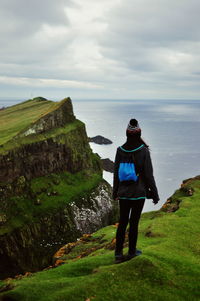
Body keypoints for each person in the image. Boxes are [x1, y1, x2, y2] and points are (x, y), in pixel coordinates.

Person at [113, 119, 159, 263]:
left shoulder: (120, 150)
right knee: (134, 223)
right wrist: (155, 194)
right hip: (138, 193)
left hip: (124, 193)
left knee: (122, 222)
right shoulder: (143, 150)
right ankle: (132, 252)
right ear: (139, 133)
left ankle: (118, 254)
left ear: (126, 133)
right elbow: (149, 175)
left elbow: (116, 174)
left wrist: (115, 192)